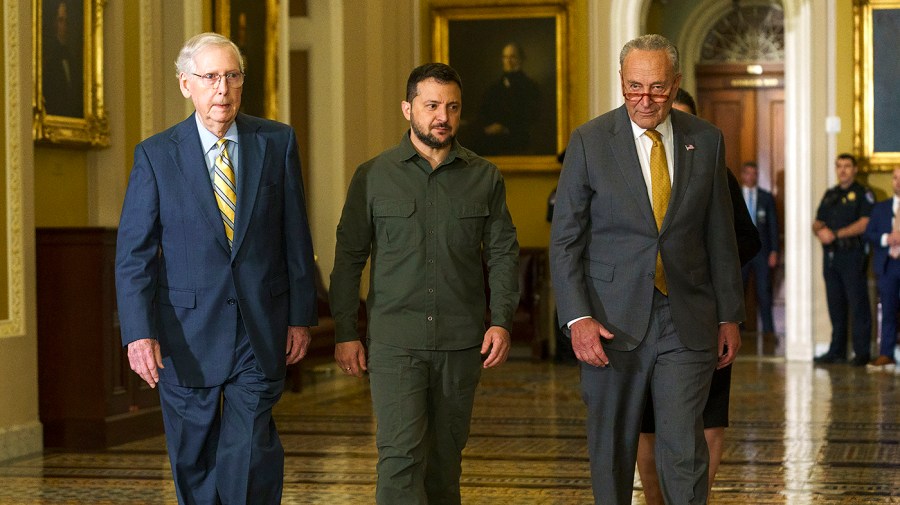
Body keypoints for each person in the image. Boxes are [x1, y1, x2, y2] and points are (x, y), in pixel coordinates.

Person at [115, 32, 317, 504]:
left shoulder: (277, 142)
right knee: (195, 462)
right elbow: (134, 254)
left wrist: (300, 316)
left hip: (258, 327)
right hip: (185, 334)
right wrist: (137, 333)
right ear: (186, 84)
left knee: (249, 454)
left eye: (232, 76)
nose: (222, 89)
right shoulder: (155, 155)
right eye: (210, 78)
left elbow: (295, 235)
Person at [550, 34, 744, 505]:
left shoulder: (707, 140)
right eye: (634, 87)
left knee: (684, 449)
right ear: (621, 81)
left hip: (686, 319)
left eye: (657, 88)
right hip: (609, 322)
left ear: (675, 85)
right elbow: (566, 239)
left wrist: (729, 315)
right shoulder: (590, 141)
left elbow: (720, 235)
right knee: (612, 449)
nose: (645, 99)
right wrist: (578, 319)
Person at [329, 63, 519, 505]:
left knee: (445, 464)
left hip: (460, 343)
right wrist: (345, 332)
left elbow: (503, 253)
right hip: (396, 343)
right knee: (399, 458)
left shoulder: (485, 177)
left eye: (452, 107)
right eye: (432, 105)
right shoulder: (372, 176)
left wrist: (502, 320)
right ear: (407, 108)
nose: (442, 116)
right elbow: (349, 258)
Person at [635, 88, 760, 505]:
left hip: (703, 314)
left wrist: (702, 275)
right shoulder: (632, 166)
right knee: (648, 421)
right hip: (644, 316)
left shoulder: (713, 169)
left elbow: (744, 238)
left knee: (706, 418)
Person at [812, 153, 874, 366]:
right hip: (831, 257)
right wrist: (820, 231)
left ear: (855, 169)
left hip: (852, 256)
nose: (843, 170)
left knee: (858, 305)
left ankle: (862, 352)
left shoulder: (863, 193)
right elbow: (817, 222)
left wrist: (836, 234)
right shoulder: (831, 194)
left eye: (847, 166)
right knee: (835, 304)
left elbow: (865, 223)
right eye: (839, 166)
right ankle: (836, 350)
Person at [474, 42, 542, 155]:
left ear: (521, 59)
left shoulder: (531, 87)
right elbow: (483, 112)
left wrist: (507, 128)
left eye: (513, 57)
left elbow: (532, 117)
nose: (508, 61)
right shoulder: (494, 88)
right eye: (505, 57)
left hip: (518, 141)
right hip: (493, 142)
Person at [862, 167, 900, 369]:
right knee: (888, 310)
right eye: (895, 178)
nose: (898, 182)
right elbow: (869, 234)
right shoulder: (881, 208)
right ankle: (886, 354)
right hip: (887, 266)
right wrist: (888, 238)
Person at [740, 161, 780, 339]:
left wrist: (774, 251)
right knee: (738, 292)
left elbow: (773, 225)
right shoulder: (733, 195)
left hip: (762, 252)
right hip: (739, 253)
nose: (751, 177)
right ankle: (737, 331)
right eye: (748, 173)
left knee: (764, 291)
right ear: (742, 175)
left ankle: (768, 331)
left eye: (754, 173)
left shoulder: (765, 197)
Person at [43, 0, 83, 118]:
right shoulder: (50, 59)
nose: (64, 26)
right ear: (54, 23)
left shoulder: (73, 60)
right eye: (61, 20)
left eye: (66, 21)